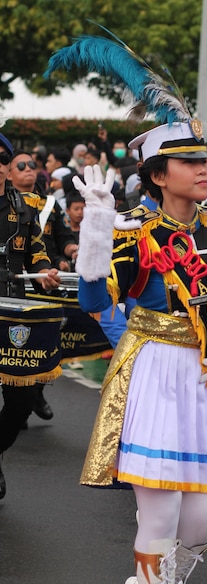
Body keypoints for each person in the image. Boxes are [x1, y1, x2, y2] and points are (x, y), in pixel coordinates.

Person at [45, 33, 207, 584]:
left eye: (206, 160)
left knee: (204, 521)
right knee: (159, 515)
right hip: (152, 369)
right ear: (157, 174)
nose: (204, 170)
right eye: (189, 162)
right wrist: (98, 234)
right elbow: (96, 299)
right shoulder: (133, 234)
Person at [0, 133, 61, 499]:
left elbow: (36, 251)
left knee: (21, 402)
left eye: (1, 162)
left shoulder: (22, 207)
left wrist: (44, 271)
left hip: (13, 311)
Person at [7, 150, 78, 421]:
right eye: (21, 165)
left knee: (42, 342)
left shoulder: (49, 204)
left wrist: (71, 249)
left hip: (44, 282)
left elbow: (63, 236)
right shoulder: (6, 204)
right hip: (13, 283)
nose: (28, 169)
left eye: (32, 165)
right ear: (8, 173)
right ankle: (17, 401)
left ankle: (34, 393)